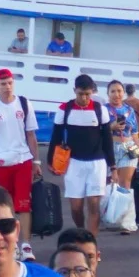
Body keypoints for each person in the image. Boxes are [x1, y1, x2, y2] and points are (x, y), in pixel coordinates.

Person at [0, 69, 43, 254]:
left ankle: (26, 245)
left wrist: (36, 162)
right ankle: (11, 244)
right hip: (0, 162)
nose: (7, 87)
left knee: (24, 203)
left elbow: (31, 135)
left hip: (22, 159)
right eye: (3, 84)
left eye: (10, 83)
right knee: (6, 206)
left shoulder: (24, 104)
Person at [52, 74, 115, 232]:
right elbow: (56, 138)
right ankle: (81, 233)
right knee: (76, 208)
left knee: (94, 205)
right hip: (73, 163)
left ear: (92, 92)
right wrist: (50, 161)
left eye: (88, 94)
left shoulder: (100, 110)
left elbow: (108, 140)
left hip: (97, 163)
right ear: (74, 91)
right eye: (81, 94)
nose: (84, 98)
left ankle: (92, 246)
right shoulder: (64, 109)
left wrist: (113, 167)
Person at [106, 80, 139, 190]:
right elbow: (96, 131)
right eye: (113, 91)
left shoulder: (129, 110)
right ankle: (109, 207)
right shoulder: (103, 109)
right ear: (108, 93)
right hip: (110, 147)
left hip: (129, 147)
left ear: (124, 92)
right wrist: (111, 127)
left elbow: (134, 134)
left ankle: (124, 207)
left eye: (119, 91)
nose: (116, 94)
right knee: (110, 184)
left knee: (125, 184)